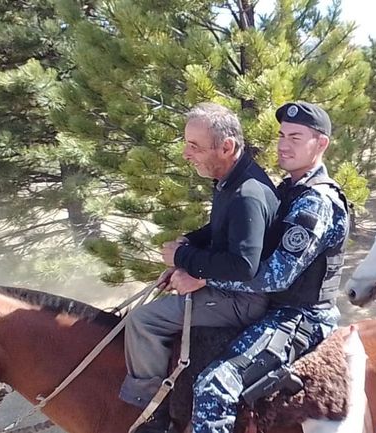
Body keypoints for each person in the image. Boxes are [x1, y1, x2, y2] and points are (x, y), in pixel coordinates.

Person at [190, 101, 349, 433]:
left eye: (295, 137)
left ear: (321, 144)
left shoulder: (316, 201)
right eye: (281, 135)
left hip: (300, 316)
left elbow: (276, 277)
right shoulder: (289, 189)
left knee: (215, 386)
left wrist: (201, 276)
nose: (282, 144)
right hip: (275, 307)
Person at [119, 102, 279, 433]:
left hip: (242, 301)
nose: (185, 154)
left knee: (143, 321)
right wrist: (189, 243)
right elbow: (220, 232)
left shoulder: (247, 194)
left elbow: (243, 265)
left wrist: (183, 261)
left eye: (194, 146)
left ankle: (151, 416)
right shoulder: (232, 179)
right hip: (227, 288)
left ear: (227, 147)